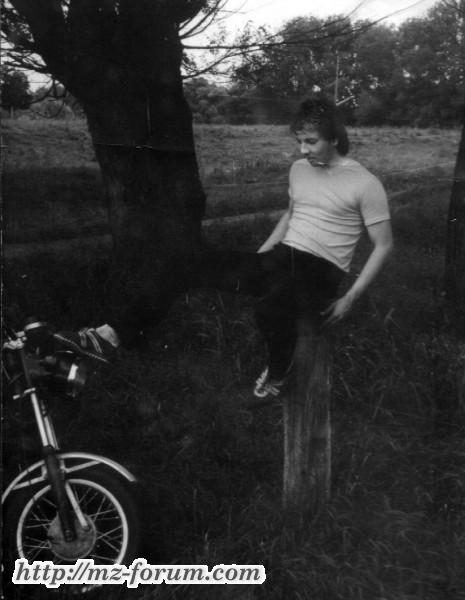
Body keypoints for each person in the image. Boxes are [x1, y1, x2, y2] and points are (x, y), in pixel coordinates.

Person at [56, 95, 393, 398]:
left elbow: (383, 245)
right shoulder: (299, 170)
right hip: (282, 258)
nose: (303, 150)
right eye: (299, 142)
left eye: (311, 142)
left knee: (270, 308)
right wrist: (260, 258)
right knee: (184, 264)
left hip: (321, 272)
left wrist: (349, 298)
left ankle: (279, 373)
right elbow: (293, 214)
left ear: (334, 137)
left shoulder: (365, 183)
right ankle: (110, 335)